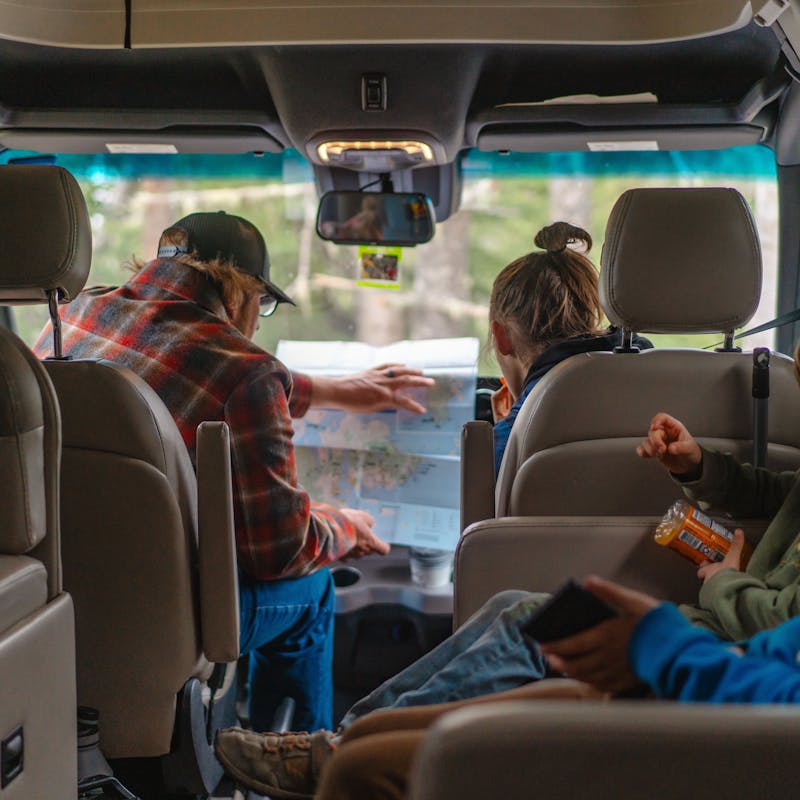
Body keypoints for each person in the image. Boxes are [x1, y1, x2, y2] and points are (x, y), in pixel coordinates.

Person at [215, 390, 800, 799]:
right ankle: (333, 745)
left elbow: (773, 625)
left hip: (724, 649)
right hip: (720, 644)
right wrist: (699, 467)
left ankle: (327, 755)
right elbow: (778, 491)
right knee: (508, 607)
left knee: (522, 617)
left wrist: (723, 582)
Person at [32, 210, 434, 733]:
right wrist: (343, 527)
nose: (258, 319)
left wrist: (337, 390)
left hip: (56, 591)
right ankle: (282, 762)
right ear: (242, 292)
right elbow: (280, 554)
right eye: (263, 304)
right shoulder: (248, 374)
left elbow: (187, 361)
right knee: (311, 591)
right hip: (164, 618)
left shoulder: (77, 316)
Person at [487, 222, 650, 473]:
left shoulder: (513, 436)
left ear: (502, 337)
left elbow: (493, 507)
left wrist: (510, 427)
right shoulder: (656, 388)